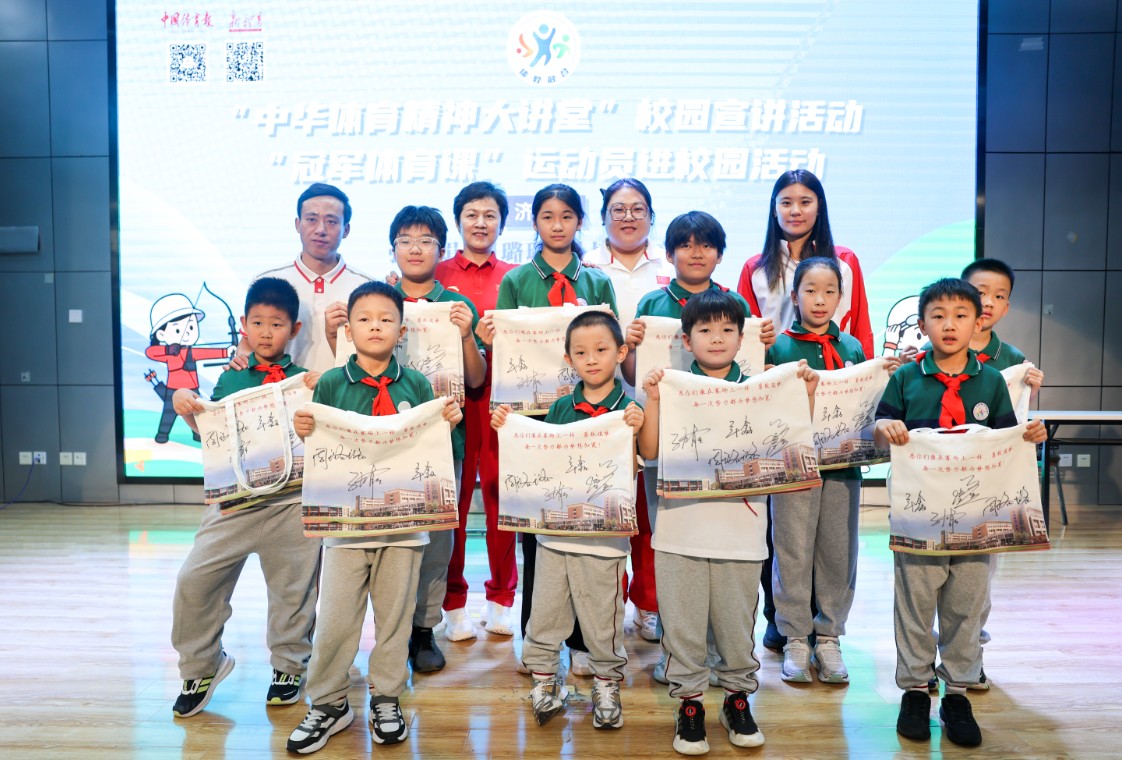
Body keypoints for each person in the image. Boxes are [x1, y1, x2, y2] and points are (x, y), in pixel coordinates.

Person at [638, 289, 818, 755]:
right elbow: (650, 451)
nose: (716, 338)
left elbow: (791, 446)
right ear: (686, 339)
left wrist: (806, 396)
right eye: (705, 329)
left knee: (737, 626)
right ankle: (690, 705)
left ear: (742, 338)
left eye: (727, 329)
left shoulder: (760, 389)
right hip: (678, 533)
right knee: (682, 625)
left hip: (741, 536)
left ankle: (737, 699)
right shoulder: (674, 386)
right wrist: (654, 399)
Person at [285, 282, 463, 753]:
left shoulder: (418, 385)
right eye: (364, 319)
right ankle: (328, 703)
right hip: (344, 533)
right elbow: (320, 453)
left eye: (386, 319)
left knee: (395, 619)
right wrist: (304, 429)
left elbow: (435, 452)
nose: (375, 326)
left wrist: (448, 423)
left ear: (402, 331)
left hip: (405, 532)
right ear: (348, 329)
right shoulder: (329, 383)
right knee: (336, 619)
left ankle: (386, 696)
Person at [874, 277, 1047, 748]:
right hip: (918, 517)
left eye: (960, 316)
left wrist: (1030, 435)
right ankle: (914, 690)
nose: (949, 325)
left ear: (977, 323)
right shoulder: (905, 378)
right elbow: (878, 429)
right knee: (914, 604)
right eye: (938, 316)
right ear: (922, 323)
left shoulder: (991, 381)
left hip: (976, 520)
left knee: (966, 606)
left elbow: (1008, 439)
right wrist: (886, 427)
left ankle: (957, 693)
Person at [477, 183, 618, 674]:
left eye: (567, 216)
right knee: (537, 537)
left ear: (580, 222)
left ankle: (582, 643)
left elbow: (610, 346)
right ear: (534, 222)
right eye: (547, 217)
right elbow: (505, 357)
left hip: (589, 422)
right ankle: (537, 642)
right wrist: (490, 338)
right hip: (533, 430)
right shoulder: (516, 281)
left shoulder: (597, 282)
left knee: (584, 534)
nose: (557, 225)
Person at [621, 210, 774, 655]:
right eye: (685, 245)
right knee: (668, 537)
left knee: (723, 543)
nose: (696, 252)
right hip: (668, 442)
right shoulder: (652, 304)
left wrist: (764, 342)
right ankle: (672, 631)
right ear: (669, 254)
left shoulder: (735, 303)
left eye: (706, 245)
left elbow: (753, 373)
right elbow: (634, 376)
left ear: (720, 254)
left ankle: (719, 641)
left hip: (727, 449)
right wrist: (630, 348)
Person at [168, 277, 321, 717]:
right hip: (233, 506)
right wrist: (187, 407)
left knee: (294, 591)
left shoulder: (305, 381)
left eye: (277, 324)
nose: (266, 332)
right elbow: (212, 436)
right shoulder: (230, 378)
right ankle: (202, 665)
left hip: (290, 505)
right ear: (243, 325)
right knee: (194, 580)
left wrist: (319, 392)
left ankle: (289, 666)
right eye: (258, 322)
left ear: (293, 329)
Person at [736, 169, 873, 653]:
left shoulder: (845, 261)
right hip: (781, 404)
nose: (795, 210)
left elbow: (860, 331)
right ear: (774, 208)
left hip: (836, 413)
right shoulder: (756, 266)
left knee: (834, 536)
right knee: (784, 531)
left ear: (820, 206)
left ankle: (825, 628)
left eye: (806, 201)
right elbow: (743, 334)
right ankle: (784, 623)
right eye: (786, 202)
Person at [491, 311, 644, 729]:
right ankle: (543, 680)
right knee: (545, 613)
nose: (591, 359)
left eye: (601, 349)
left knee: (603, 618)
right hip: (552, 539)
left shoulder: (629, 410)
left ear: (621, 352)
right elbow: (539, 459)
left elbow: (638, 465)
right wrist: (509, 426)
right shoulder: (559, 407)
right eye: (580, 352)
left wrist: (636, 430)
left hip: (606, 544)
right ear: (568, 358)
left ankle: (607, 683)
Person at [908, 257, 1045, 691]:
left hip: (982, 492)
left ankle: (967, 657)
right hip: (927, 492)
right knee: (922, 582)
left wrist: (1030, 422)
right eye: (980, 292)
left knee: (975, 582)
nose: (988, 302)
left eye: (998, 296)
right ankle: (919, 671)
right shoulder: (916, 367)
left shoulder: (1010, 363)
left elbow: (1011, 428)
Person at [765, 257, 899, 685]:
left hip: (843, 470)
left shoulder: (853, 349)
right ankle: (795, 636)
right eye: (810, 290)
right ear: (794, 296)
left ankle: (829, 636)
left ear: (841, 298)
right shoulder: (779, 348)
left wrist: (885, 377)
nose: (819, 300)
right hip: (793, 471)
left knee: (838, 551)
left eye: (829, 291)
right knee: (791, 550)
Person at [387, 205, 487, 672]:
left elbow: (476, 378)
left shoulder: (455, 306)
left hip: (444, 440)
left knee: (438, 541)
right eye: (405, 240)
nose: (415, 248)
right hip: (384, 442)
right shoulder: (378, 300)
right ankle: (390, 630)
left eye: (425, 241)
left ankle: (425, 629)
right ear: (393, 249)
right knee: (388, 538)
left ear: (441, 250)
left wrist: (466, 335)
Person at [582, 178, 674, 642]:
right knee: (607, 509)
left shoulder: (670, 268)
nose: (628, 217)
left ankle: (650, 604)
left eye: (638, 209)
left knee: (651, 513)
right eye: (618, 210)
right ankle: (607, 606)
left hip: (659, 406)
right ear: (603, 218)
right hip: (601, 405)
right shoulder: (587, 268)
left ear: (651, 216)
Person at [434, 182, 520, 642]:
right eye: (471, 214)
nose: (481, 223)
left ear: (502, 223)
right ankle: (452, 602)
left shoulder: (517, 277)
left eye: (490, 215)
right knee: (452, 503)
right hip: (451, 404)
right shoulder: (436, 272)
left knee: (501, 498)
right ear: (458, 221)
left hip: (502, 402)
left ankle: (502, 598)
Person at [245, 183, 372, 373]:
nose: (320, 229)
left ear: (346, 230)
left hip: (345, 391)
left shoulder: (367, 287)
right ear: (298, 224)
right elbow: (247, 345)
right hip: (281, 390)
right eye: (312, 219)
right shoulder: (267, 280)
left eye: (331, 221)